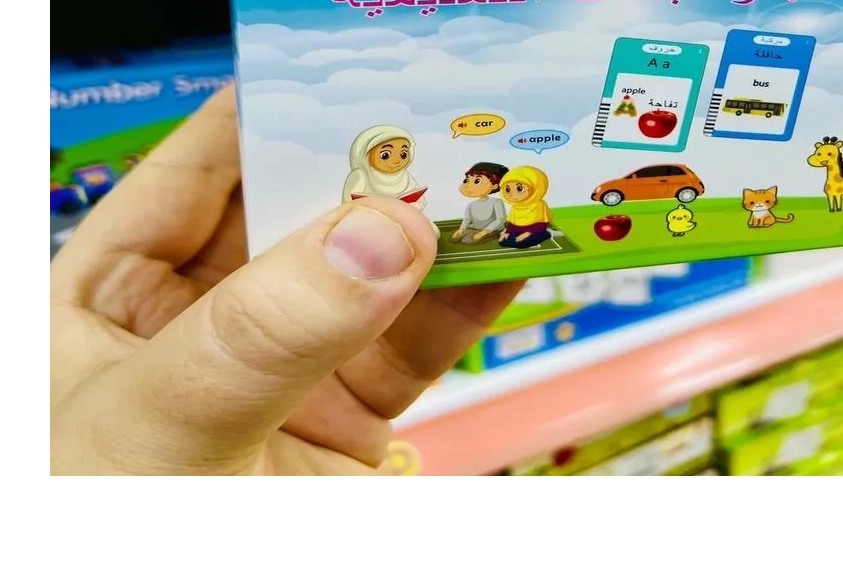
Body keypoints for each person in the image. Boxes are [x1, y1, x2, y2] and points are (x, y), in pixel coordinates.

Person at [50, 87, 521, 475]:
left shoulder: (413, 180)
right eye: (387, 153)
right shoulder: (358, 184)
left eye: (402, 153)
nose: (396, 159)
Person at [498, 164, 553, 249]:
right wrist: (507, 232)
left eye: (520, 189)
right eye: (508, 190)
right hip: (517, 231)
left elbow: (540, 224)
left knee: (521, 243)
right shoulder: (516, 207)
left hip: (534, 231)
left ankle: (545, 234)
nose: (512, 194)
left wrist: (527, 234)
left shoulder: (538, 205)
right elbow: (513, 223)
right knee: (503, 241)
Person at [452, 161, 509, 243]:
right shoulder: (471, 205)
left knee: (467, 240)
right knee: (454, 238)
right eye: (467, 180)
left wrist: (485, 231)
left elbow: (500, 220)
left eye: (477, 181)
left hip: (493, 229)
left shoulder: (496, 202)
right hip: (475, 228)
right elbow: (467, 219)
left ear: (495, 186)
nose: (468, 185)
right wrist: (461, 229)